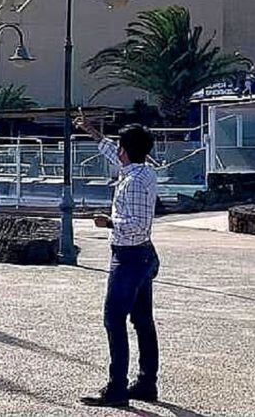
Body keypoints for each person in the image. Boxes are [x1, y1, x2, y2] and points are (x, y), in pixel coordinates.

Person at [76, 119, 161, 408]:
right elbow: (115, 152)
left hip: (129, 257)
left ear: (126, 150)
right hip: (143, 255)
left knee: (114, 320)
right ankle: (147, 382)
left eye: (119, 146)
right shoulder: (144, 171)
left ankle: (117, 388)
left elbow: (136, 225)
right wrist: (92, 132)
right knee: (142, 321)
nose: (117, 151)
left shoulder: (134, 182)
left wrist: (108, 222)